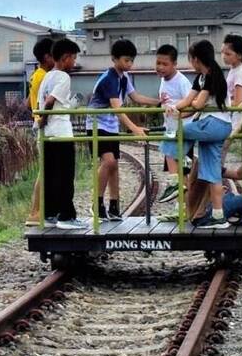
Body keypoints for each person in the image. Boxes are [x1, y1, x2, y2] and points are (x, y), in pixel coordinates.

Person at [86, 39, 159, 221]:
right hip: (97, 124)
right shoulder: (109, 78)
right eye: (126, 60)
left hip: (109, 126)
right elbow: (117, 108)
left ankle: (114, 205)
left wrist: (159, 102)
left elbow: (136, 97)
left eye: (131, 60)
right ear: (114, 59)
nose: (129, 64)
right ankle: (97, 203)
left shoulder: (124, 78)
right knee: (109, 162)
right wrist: (134, 128)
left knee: (115, 166)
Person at [165, 40, 233, 230]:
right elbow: (188, 101)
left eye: (190, 58)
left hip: (214, 124)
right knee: (212, 173)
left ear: (196, 58)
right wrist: (174, 109)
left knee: (172, 134)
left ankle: (174, 182)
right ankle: (219, 217)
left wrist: (189, 106)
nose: (191, 62)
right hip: (217, 125)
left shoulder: (211, 75)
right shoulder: (201, 77)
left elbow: (198, 104)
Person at [38, 39, 87, 230]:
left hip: (48, 135)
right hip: (61, 132)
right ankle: (66, 216)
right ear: (65, 58)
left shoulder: (47, 77)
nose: (74, 62)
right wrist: (44, 119)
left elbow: (45, 102)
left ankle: (50, 214)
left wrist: (42, 124)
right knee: (65, 176)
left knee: (51, 175)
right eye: (73, 58)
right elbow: (50, 102)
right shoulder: (63, 78)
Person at [155, 44, 192, 204]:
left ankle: (184, 205)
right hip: (171, 128)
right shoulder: (164, 81)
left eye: (165, 64)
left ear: (174, 64)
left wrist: (179, 114)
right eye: (158, 63)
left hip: (182, 129)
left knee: (181, 171)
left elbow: (194, 105)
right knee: (178, 170)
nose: (160, 67)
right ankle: (181, 207)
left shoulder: (182, 81)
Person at [25, 38, 55, 227]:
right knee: (45, 172)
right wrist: (41, 119)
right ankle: (35, 212)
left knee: (46, 171)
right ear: (47, 57)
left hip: (41, 126)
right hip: (44, 127)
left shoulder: (36, 75)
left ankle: (40, 211)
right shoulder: (43, 76)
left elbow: (29, 102)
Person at [221, 34, 242, 137]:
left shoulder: (240, 72)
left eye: (228, 54)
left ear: (239, 55)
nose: (224, 56)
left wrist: (221, 104)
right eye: (223, 53)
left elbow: (238, 101)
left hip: (236, 116)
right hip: (232, 114)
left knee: (223, 147)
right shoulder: (234, 69)